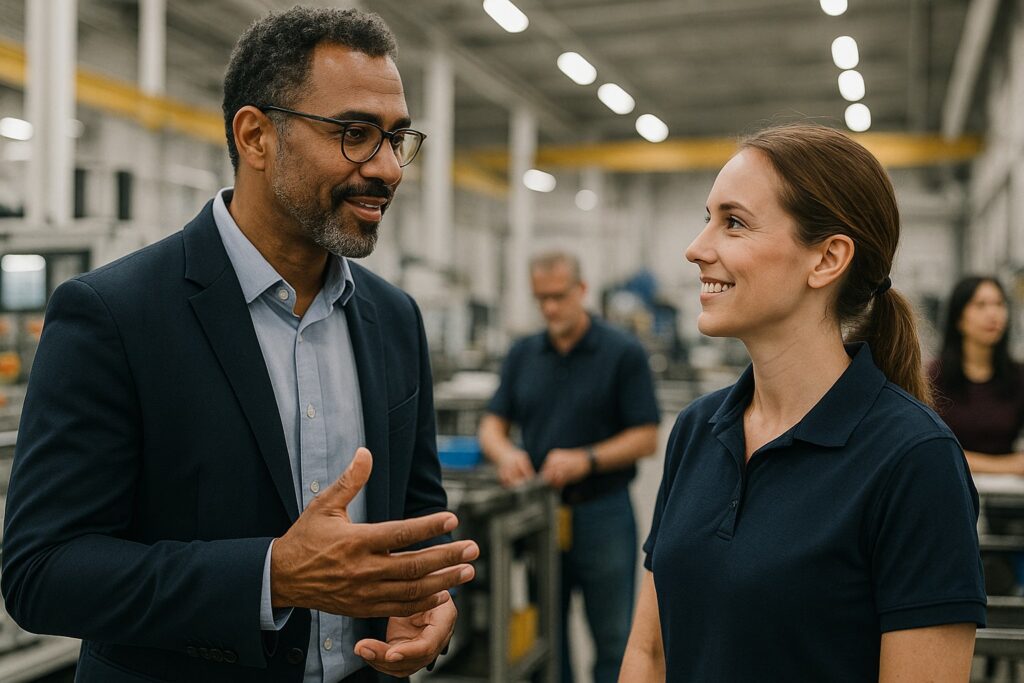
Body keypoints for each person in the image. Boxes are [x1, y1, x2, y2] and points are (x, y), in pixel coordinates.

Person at [1, 8, 479, 683]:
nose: (389, 169)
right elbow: (41, 573)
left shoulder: (394, 318)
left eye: (397, 138)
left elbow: (417, 518)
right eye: (355, 134)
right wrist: (271, 575)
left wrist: (426, 600)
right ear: (256, 136)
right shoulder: (114, 314)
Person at [620, 124, 985, 682]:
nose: (697, 249)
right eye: (707, 218)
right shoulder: (697, 429)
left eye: (734, 223)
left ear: (827, 259)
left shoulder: (914, 460)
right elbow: (649, 653)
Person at [478, 251, 660, 683]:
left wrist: (587, 459)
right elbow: (491, 425)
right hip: (540, 514)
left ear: (582, 290)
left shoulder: (623, 353)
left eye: (558, 297)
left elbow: (647, 437)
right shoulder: (524, 353)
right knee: (546, 635)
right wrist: (506, 454)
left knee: (613, 637)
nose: (549, 308)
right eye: (541, 299)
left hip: (603, 513)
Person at [931, 276, 1024, 473]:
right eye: (980, 305)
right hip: (949, 487)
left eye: (999, 304)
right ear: (958, 318)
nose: (993, 314)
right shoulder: (934, 377)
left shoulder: (1018, 376)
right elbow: (929, 450)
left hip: (1007, 496)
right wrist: (1008, 465)